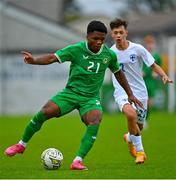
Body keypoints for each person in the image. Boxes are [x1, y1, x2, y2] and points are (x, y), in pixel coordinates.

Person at [4, 20, 142, 170]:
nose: (98, 42)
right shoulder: (76, 49)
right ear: (87, 36)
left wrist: (130, 94)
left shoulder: (109, 54)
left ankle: (77, 160)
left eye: (102, 39)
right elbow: (52, 58)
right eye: (95, 38)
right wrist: (34, 61)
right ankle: (21, 145)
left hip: (90, 99)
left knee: (95, 120)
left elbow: (118, 73)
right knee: (44, 112)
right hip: (70, 93)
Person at [109, 18, 173, 164]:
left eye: (121, 32)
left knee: (139, 126)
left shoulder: (137, 49)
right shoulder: (110, 53)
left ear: (126, 33)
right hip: (121, 92)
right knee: (130, 115)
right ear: (112, 35)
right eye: (115, 33)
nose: (118, 35)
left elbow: (153, 64)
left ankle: (130, 137)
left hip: (140, 92)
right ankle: (140, 152)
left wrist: (163, 75)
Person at [143, 35, 162, 120]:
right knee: (141, 100)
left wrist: (156, 73)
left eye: (151, 43)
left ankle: (145, 119)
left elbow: (159, 67)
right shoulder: (142, 54)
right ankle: (140, 118)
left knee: (150, 102)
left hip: (151, 81)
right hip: (142, 80)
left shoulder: (157, 56)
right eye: (148, 43)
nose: (150, 45)